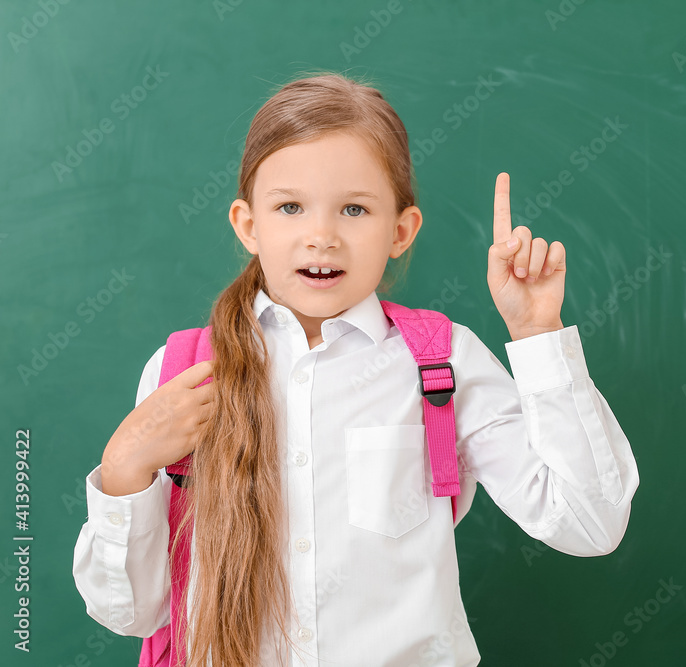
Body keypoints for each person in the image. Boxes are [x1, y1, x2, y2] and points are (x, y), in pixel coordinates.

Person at [72, 71, 639, 667]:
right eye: (290, 207)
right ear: (248, 225)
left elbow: (590, 523)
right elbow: (130, 613)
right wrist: (125, 469)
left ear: (400, 231)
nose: (322, 236)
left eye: (354, 209)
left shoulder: (440, 362)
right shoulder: (183, 371)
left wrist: (536, 334)